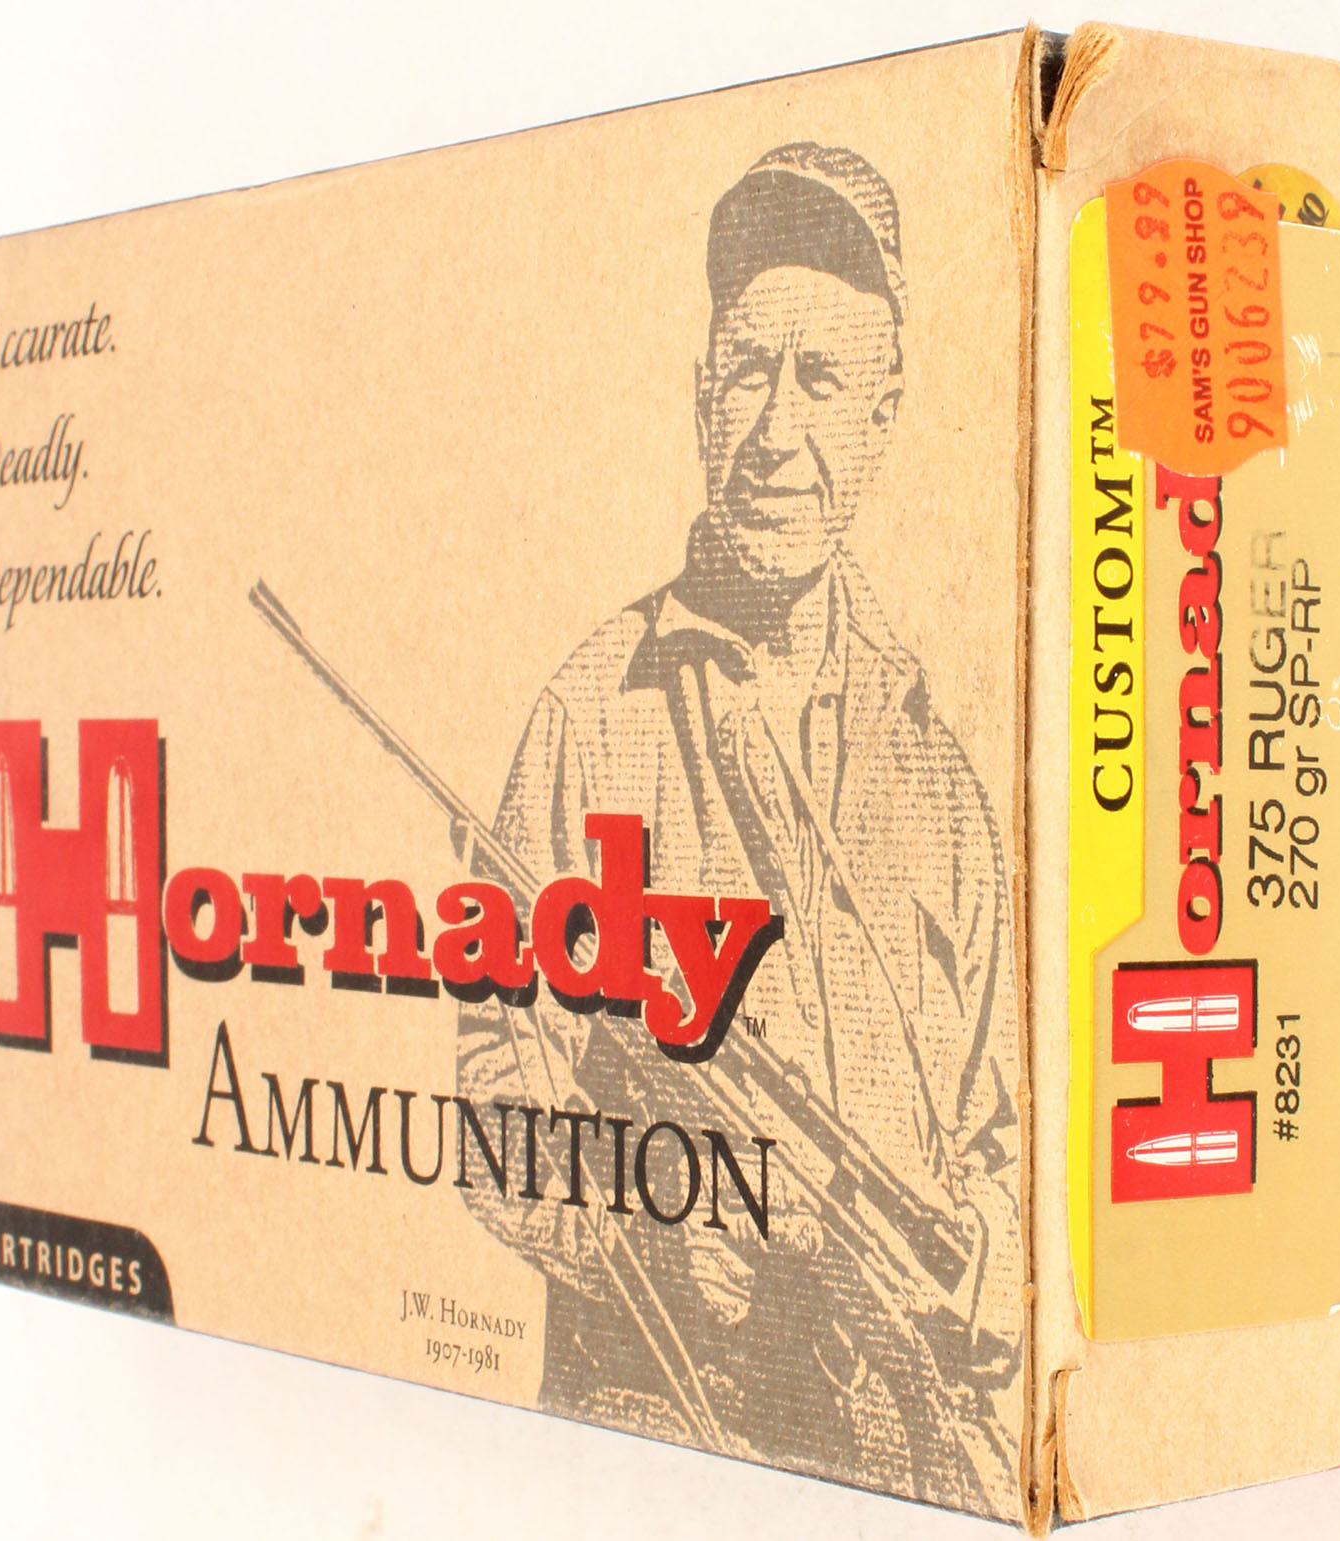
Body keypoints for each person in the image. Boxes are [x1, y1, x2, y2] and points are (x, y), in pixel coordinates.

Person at [456, 141, 1021, 1514]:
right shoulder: (594, 713)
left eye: (820, 380)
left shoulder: (942, 783)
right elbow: (487, 1087)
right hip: (661, 1445)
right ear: (700, 395)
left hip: (901, 1460)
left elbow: (996, 1137)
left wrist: (987, 1254)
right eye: (749, 373)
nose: (776, 431)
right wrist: (651, 1218)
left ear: (883, 417)